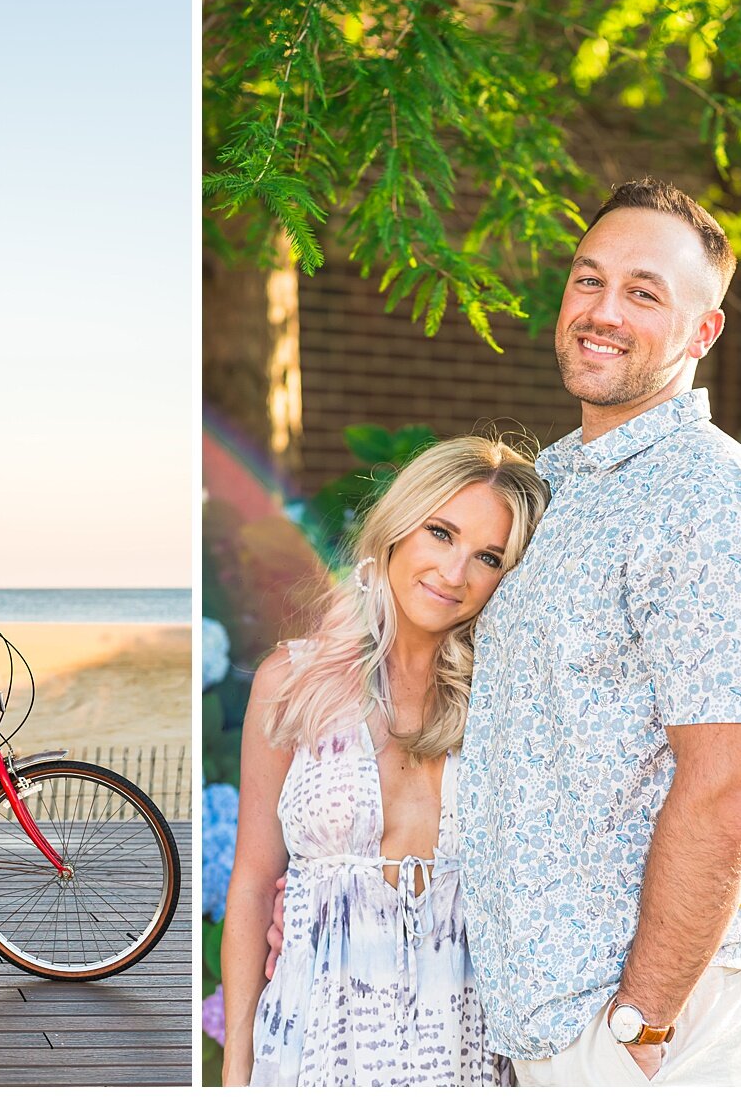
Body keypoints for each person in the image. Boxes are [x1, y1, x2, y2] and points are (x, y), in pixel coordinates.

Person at [459, 177, 741, 1085]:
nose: (602, 311)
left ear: (704, 333)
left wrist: (644, 1021)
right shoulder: (554, 482)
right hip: (548, 1005)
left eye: (643, 292)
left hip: (640, 1014)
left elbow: (726, 786)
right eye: (589, 280)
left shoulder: (718, 506)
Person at [221, 436, 550, 1086]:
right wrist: (236, 1064)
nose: (454, 573)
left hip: (469, 1045)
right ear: (398, 530)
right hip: (317, 1040)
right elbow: (256, 880)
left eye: (487, 556)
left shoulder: (511, 698)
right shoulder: (295, 680)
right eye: (440, 532)